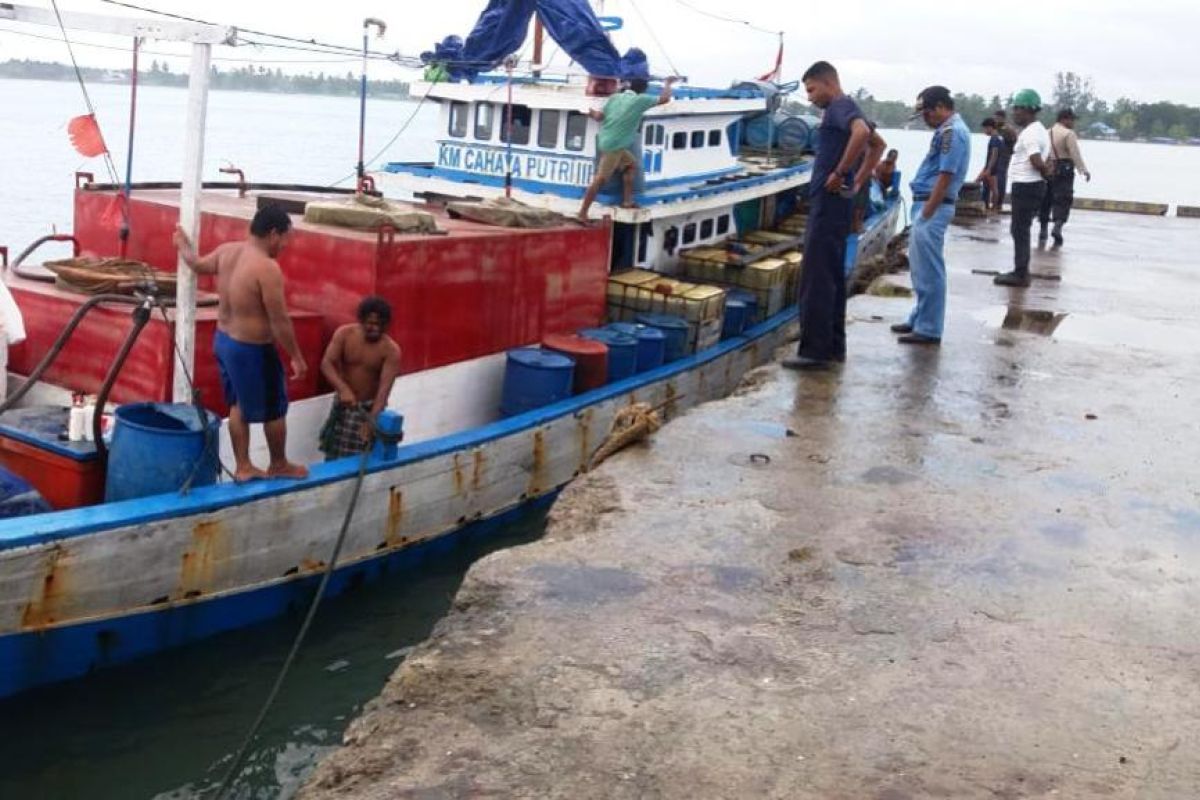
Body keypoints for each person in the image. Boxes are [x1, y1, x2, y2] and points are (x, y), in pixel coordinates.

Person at [173, 205, 309, 481]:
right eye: (285, 238)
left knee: (238, 405)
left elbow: (196, 264)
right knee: (274, 408)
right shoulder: (266, 268)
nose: (285, 245)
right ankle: (279, 463)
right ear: (273, 234)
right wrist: (296, 356)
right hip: (252, 349)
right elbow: (279, 319)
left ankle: (243, 465)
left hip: (224, 342)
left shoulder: (227, 252)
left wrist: (183, 245)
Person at [782, 61, 886, 370]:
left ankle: (814, 351)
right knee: (832, 277)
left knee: (816, 276)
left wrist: (841, 172)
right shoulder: (847, 107)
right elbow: (877, 145)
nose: (810, 97)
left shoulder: (840, 106)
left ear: (828, 83)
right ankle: (833, 347)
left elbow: (863, 133)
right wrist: (858, 180)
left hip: (828, 203)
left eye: (812, 90)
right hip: (838, 202)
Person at [891, 86, 970, 346]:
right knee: (920, 269)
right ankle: (919, 318)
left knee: (929, 271)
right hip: (927, 205)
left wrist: (928, 210)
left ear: (939, 108)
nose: (925, 119)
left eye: (926, 113)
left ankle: (929, 328)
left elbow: (946, 174)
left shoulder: (951, 133)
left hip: (933, 206)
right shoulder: (947, 131)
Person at [577, 76, 677, 221]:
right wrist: (667, 83)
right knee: (600, 179)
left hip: (606, 141)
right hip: (615, 146)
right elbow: (665, 99)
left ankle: (627, 201)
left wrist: (589, 111)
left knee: (630, 165)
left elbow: (599, 117)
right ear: (643, 90)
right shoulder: (640, 100)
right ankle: (582, 213)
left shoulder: (615, 97)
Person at [318, 296, 402, 460]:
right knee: (332, 454)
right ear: (361, 320)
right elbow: (326, 364)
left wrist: (371, 421)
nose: (374, 328)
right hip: (343, 405)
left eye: (379, 324)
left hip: (367, 409)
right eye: (370, 323)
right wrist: (343, 389)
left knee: (359, 458)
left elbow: (383, 392)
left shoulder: (391, 351)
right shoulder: (344, 334)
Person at [994, 90, 1050, 288]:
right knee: (1020, 229)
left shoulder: (1031, 133)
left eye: (1018, 109)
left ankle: (1020, 273)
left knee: (1019, 230)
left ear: (1028, 110)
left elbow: (1036, 160)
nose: (1015, 113)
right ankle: (1020, 270)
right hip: (1031, 186)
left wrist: (1046, 173)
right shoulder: (1039, 130)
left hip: (1026, 186)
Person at [1039, 108, 1091, 248]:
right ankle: (1057, 227)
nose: (1073, 123)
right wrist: (1083, 170)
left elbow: (1041, 152)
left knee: (1046, 198)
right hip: (1065, 168)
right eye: (1072, 119)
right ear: (1064, 119)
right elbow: (1075, 154)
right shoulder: (1068, 134)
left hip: (1048, 167)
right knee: (1063, 198)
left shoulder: (1046, 132)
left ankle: (1043, 230)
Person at [991, 109, 1017, 210]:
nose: (995, 120)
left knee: (1001, 178)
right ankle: (995, 201)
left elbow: (1014, 142)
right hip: (997, 155)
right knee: (995, 178)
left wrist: (1008, 152)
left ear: (1002, 118)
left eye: (996, 118)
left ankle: (999, 202)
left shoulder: (1007, 129)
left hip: (1004, 156)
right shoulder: (997, 128)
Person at [976, 119, 1003, 210]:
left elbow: (994, 155)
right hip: (989, 167)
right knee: (983, 184)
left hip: (992, 168)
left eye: (985, 129)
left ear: (990, 127)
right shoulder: (995, 138)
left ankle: (994, 207)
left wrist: (989, 169)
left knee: (994, 188)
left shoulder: (995, 139)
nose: (984, 131)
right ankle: (986, 205)